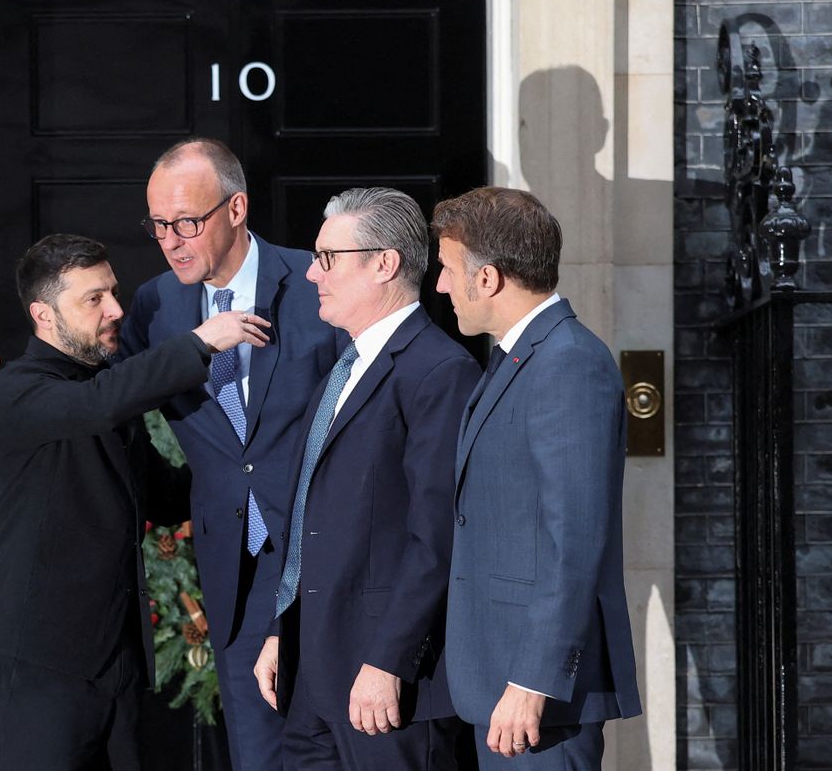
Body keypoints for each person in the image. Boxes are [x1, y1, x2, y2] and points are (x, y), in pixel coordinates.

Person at [0, 140, 341, 770]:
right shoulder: (159, 313)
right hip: (89, 640)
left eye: (186, 221)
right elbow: (92, 393)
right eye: (159, 225)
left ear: (236, 208)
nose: (170, 239)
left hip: (320, 570)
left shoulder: (316, 283)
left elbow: (126, 423)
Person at [0, 233, 271, 770]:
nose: (115, 309)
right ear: (44, 314)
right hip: (42, 661)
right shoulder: (12, 389)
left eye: (113, 292)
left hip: (119, 660)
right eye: (93, 299)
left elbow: (163, 495)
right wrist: (200, 343)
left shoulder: (104, 385)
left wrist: (259, 469)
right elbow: (94, 407)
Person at [252, 188, 481, 770]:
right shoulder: (344, 368)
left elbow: (436, 538)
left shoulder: (439, 371)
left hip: (387, 687)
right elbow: (314, 513)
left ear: (385, 263)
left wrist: (389, 662)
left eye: (328, 258)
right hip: (314, 677)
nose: (311, 273)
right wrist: (284, 628)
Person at [432, 187, 641, 769]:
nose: (441, 287)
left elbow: (573, 539)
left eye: (448, 271)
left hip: (534, 697)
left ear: (490, 278)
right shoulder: (519, 357)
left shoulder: (569, 362)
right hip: (496, 682)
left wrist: (533, 679)